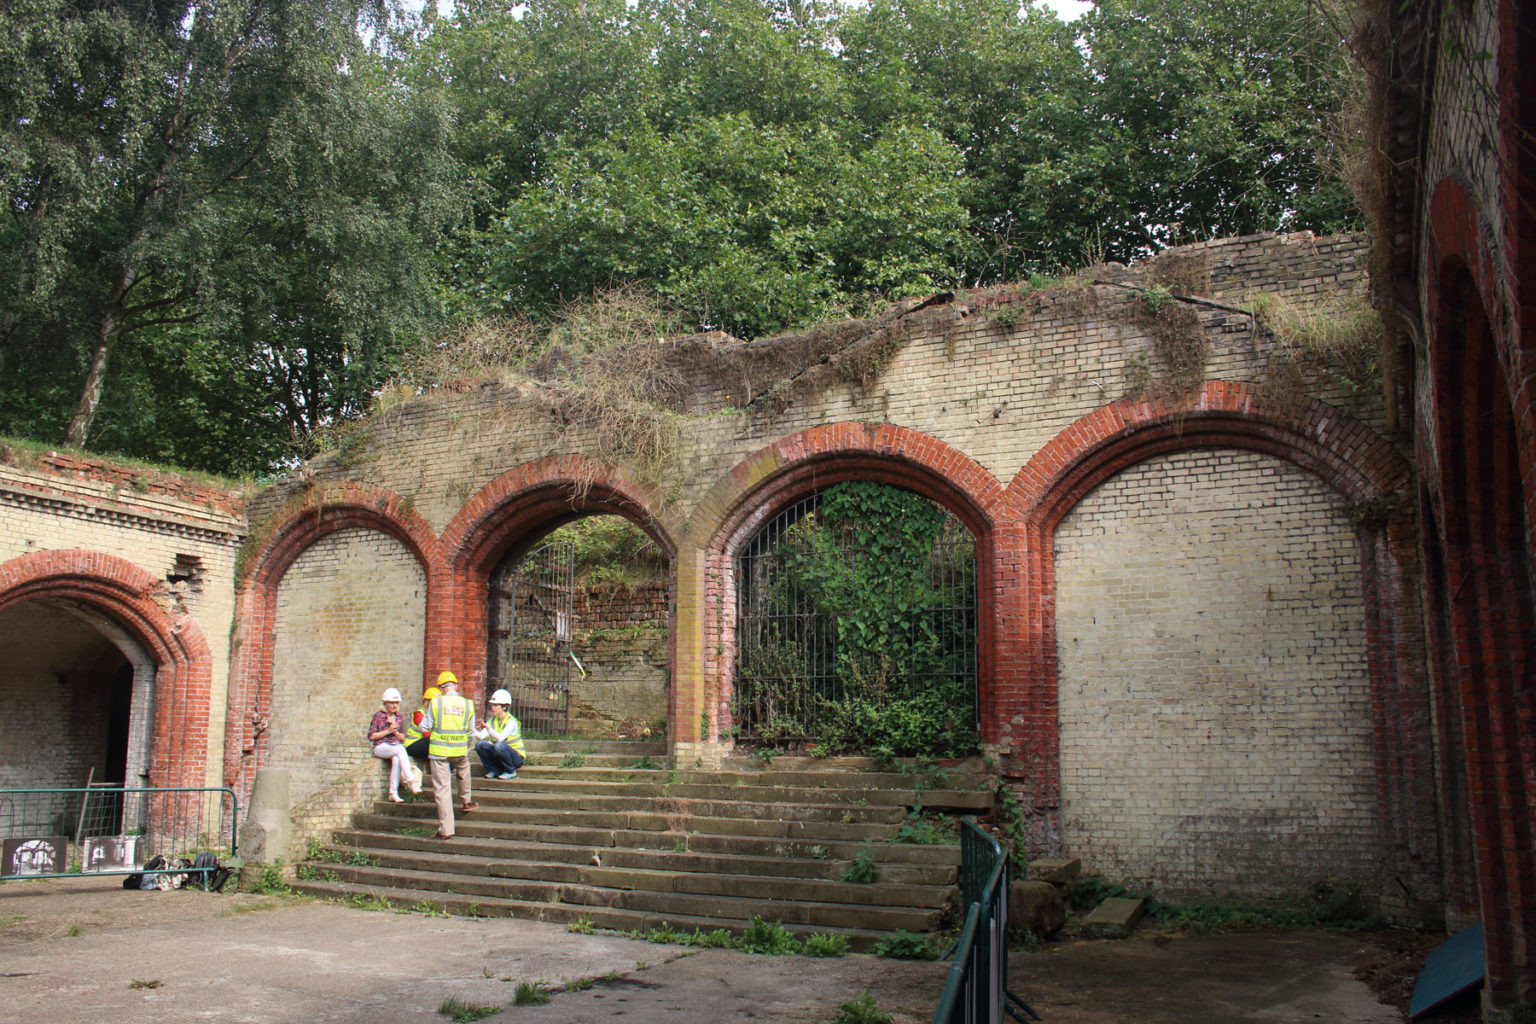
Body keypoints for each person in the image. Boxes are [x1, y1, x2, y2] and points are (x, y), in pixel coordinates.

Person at [417, 670, 478, 839]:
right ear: (455, 686)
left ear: (441, 688)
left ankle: (446, 830)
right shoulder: (468, 704)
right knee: (464, 770)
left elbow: (423, 727)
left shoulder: (436, 703)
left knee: (442, 790)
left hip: (439, 752)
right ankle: (466, 800)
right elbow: (471, 730)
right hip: (459, 749)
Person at [368, 687, 419, 802]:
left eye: (396, 703)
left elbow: (402, 738)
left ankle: (393, 792)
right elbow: (371, 736)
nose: (394, 706)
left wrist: (394, 731)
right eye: (391, 703)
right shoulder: (379, 716)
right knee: (400, 750)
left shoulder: (399, 717)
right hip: (381, 746)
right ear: (385, 703)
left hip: (394, 746)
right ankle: (411, 781)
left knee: (397, 759)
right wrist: (387, 731)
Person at [475, 689, 526, 780]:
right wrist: (471, 731)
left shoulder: (511, 721)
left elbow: (500, 739)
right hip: (501, 754)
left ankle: (510, 771)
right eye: (492, 705)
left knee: (499, 746)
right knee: (479, 744)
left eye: (496, 705)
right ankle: (493, 770)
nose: (492, 707)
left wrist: (488, 729)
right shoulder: (492, 720)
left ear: (504, 707)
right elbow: (481, 737)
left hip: (516, 757)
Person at [403, 685, 439, 761]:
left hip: (423, 744)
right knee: (433, 740)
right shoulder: (419, 714)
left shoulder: (435, 715)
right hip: (412, 744)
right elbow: (426, 734)